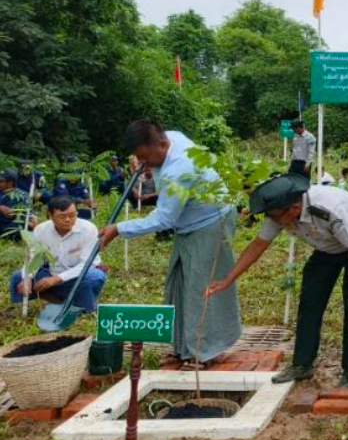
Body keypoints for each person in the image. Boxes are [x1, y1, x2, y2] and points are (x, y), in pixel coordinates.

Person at [207, 174, 348, 387]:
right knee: (310, 301)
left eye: (274, 216)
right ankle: (302, 364)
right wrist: (228, 279)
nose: (272, 220)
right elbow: (259, 244)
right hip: (327, 247)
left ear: (294, 208)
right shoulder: (279, 212)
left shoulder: (328, 210)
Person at [99, 120, 241, 364]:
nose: (142, 162)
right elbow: (158, 170)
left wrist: (118, 229)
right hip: (188, 225)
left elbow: (164, 219)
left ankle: (204, 352)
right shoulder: (170, 137)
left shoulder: (178, 169)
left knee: (201, 289)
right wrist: (148, 166)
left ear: (162, 145)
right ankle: (183, 347)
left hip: (211, 223)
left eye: (144, 157)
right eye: (138, 157)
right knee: (179, 284)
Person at [10, 196, 107, 311]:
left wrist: (57, 279)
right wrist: (27, 278)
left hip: (78, 276)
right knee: (19, 276)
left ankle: (80, 306)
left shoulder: (88, 229)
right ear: (50, 216)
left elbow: (87, 263)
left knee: (95, 277)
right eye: (62, 216)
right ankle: (57, 300)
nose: (68, 220)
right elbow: (34, 258)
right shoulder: (41, 230)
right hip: (50, 273)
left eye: (72, 215)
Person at [0, 169, 32, 239]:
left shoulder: (22, 196)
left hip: (10, 230)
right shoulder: (1, 192)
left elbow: (22, 218)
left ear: (10, 183)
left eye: (1, 181)